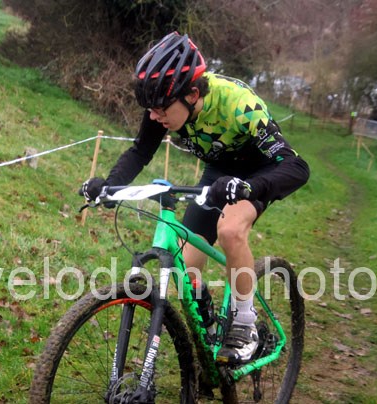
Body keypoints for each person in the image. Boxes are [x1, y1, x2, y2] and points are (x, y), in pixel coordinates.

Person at [80, 32, 310, 364]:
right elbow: (141, 151)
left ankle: (245, 323)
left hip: (258, 173)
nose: (154, 117)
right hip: (219, 172)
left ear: (192, 94)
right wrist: (109, 187)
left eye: (160, 109)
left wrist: (249, 188)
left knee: (230, 230)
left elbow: (296, 167)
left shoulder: (239, 105)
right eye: (150, 110)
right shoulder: (166, 103)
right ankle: (210, 330)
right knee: (186, 265)